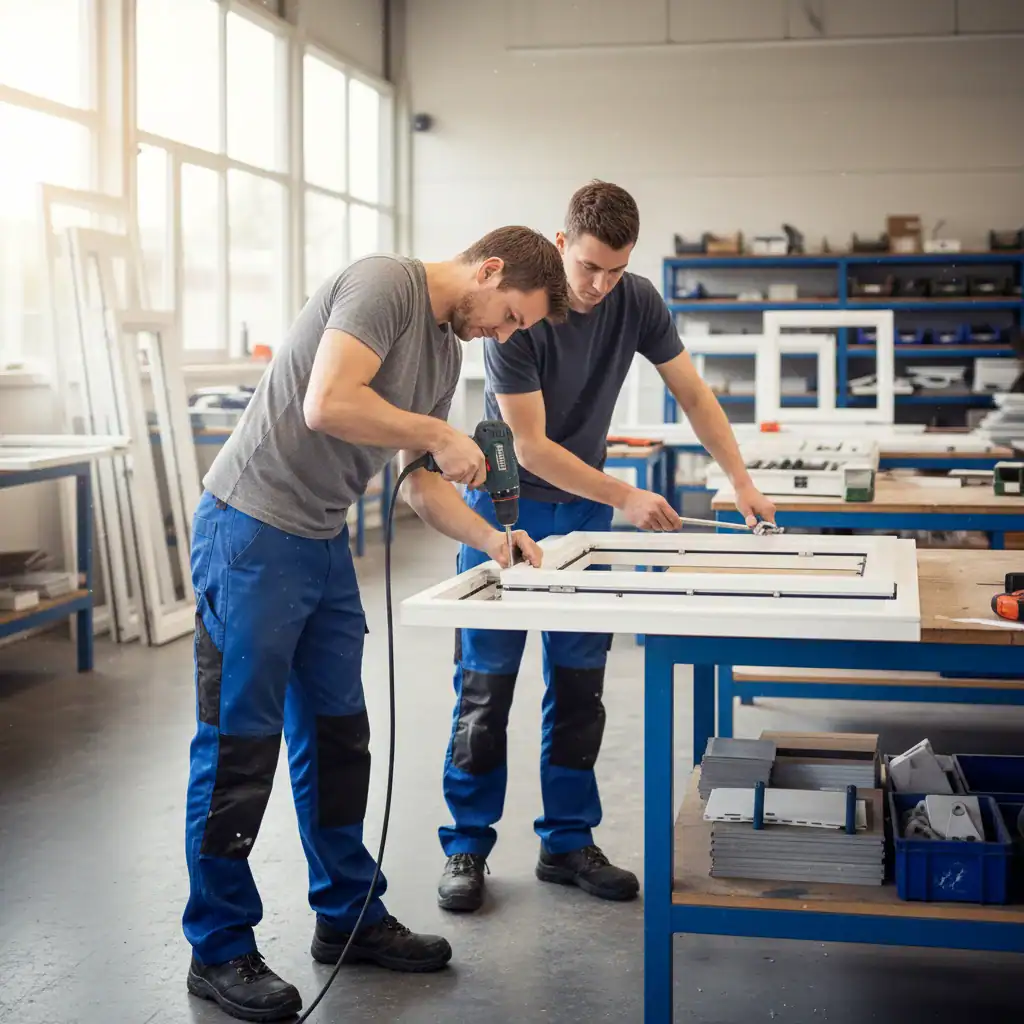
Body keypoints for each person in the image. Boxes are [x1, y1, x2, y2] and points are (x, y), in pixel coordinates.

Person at [183, 226, 568, 1022]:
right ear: (488, 268)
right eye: (508, 315)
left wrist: (495, 540)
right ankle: (218, 948)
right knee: (238, 747)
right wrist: (436, 432)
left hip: (320, 542)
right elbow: (328, 403)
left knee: (338, 740)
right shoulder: (383, 284)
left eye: (515, 331)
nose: (503, 335)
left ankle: (346, 916)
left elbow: (424, 488)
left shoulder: (448, 353)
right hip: (250, 529)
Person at [436, 181, 777, 913]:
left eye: (616, 270)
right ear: (562, 246)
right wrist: (625, 494)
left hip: (583, 522)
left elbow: (693, 393)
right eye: (589, 267)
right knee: (484, 693)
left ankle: (566, 841)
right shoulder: (517, 313)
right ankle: (466, 844)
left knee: (579, 688)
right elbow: (529, 444)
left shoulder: (638, 300)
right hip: (505, 509)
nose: (599, 286)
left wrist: (740, 480)